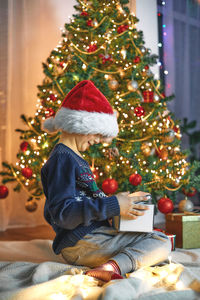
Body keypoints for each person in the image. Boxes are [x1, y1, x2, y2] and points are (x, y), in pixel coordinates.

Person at [41, 80, 171, 283]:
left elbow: (85, 202)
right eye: (97, 132)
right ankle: (112, 266)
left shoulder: (73, 157)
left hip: (95, 236)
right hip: (82, 243)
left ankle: (116, 262)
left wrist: (118, 208)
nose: (99, 140)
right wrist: (113, 205)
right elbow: (63, 214)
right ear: (81, 124)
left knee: (159, 238)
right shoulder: (62, 158)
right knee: (160, 242)